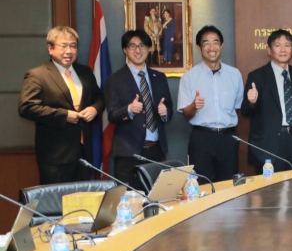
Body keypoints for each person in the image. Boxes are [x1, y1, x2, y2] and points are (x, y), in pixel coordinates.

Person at [19, 26, 105, 184]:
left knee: (84, 198)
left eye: (73, 46)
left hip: (84, 153)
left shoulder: (85, 72)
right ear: (50, 48)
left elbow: (99, 98)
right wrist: (64, 115)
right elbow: (27, 107)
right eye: (63, 46)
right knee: (58, 199)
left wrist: (94, 108)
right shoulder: (37, 75)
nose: (69, 51)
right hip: (55, 156)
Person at [105, 30, 174, 190]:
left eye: (142, 46)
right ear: (125, 50)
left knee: (158, 197)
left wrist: (165, 113)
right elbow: (112, 115)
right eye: (133, 46)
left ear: (149, 48)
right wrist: (129, 109)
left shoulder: (159, 77)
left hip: (157, 151)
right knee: (130, 200)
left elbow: (169, 109)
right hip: (129, 153)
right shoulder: (115, 80)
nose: (138, 50)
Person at [177, 26, 243, 182]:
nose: (211, 47)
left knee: (228, 185)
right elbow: (186, 115)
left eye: (215, 42)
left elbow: (238, 108)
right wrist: (193, 106)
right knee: (201, 185)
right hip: (202, 138)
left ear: (222, 46)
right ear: (199, 47)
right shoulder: (189, 77)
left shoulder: (234, 74)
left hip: (228, 139)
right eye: (206, 43)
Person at [242, 29, 292, 172]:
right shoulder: (257, 76)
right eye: (278, 45)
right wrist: (252, 101)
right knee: (271, 186)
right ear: (269, 50)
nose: (283, 50)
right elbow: (245, 111)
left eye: (287, 45)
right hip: (269, 145)